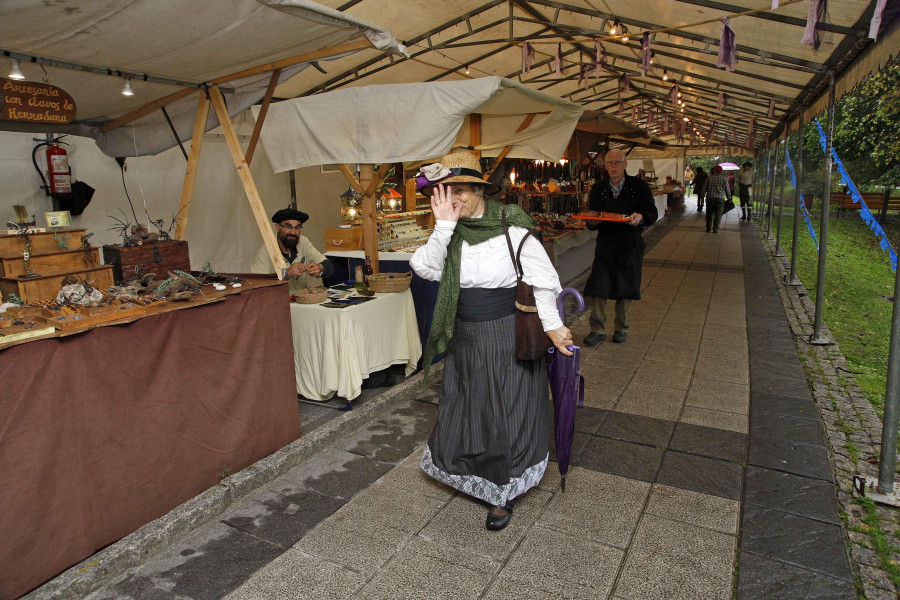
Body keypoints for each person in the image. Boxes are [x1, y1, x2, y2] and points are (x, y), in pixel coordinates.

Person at [410, 148, 572, 532]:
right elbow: (425, 268)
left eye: (458, 193)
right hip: (465, 331)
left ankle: (503, 489)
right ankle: (466, 469)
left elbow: (543, 280)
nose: (451, 202)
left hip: (504, 330)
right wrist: (443, 227)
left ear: (479, 191)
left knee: (504, 408)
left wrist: (552, 325)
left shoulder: (511, 224)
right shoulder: (450, 230)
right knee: (467, 402)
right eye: (444, 194)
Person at [582, 149, 658, 346]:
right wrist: (591, 222)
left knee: (626, 285)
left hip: (630, 241)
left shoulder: (638, 186)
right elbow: (593, 214)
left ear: (625, 164)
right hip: (606, 242)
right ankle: (597, 329)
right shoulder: (598, 188)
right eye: (609, 163)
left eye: (617, 162)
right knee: (599, 284)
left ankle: (621, 328)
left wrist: (641, 217)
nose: (613, 167)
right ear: (605, 166)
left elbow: (651, 211)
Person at [251, 208, 333, 294]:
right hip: (278, 302)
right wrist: (286, 274)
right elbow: (257, 282)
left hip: (302, 300)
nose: (293, 232)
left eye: (297, 227)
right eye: (288, 227)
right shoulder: (267, 248)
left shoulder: (303, 241)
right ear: (277, 227)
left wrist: (320, 268)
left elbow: (328, 265)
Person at [701, 165, 732, 233]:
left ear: (715, 170)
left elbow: (704, 188)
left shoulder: (709, 178)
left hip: (710, 198)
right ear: (721, 171)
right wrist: (729, 198)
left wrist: (702, 195)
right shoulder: (724, 179)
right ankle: (715, 228)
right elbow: (727, 189)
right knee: (718, 214)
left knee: (709, 213)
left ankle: (708, 227)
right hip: (720, 199)